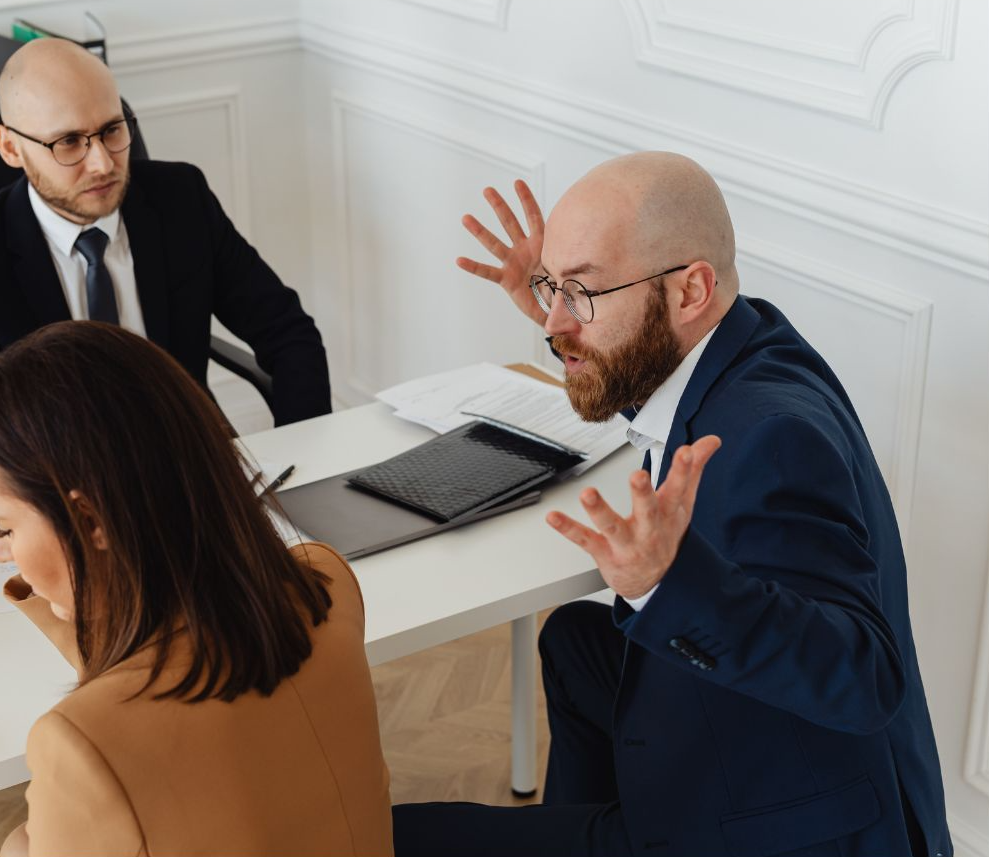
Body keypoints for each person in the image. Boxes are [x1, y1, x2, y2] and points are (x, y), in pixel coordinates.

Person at [392, 152, 949, 857]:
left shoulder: (770, 438)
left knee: (390, 838)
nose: (555, 322)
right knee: (573, 643)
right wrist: (567, 306)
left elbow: (866, 676)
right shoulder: (744, 342)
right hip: (755, 742)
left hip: (786, 824)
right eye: (553, 287)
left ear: (690, 291)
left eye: (583, 292)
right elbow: (644, 367)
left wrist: (668, 582)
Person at [0, 320, 391, 857]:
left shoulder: (81, 744)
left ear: (91, 522)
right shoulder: (324, 580)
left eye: (4, 526)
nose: (0, 552)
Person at [0, 38, 331, 520]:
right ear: (11, 147)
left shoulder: (181, 200)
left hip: (195, 472)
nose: (102, 163)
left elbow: (287, 331)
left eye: (112, 130)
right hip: (70, 496)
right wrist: (43, 518)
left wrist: (308, 460)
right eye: (68, 142)